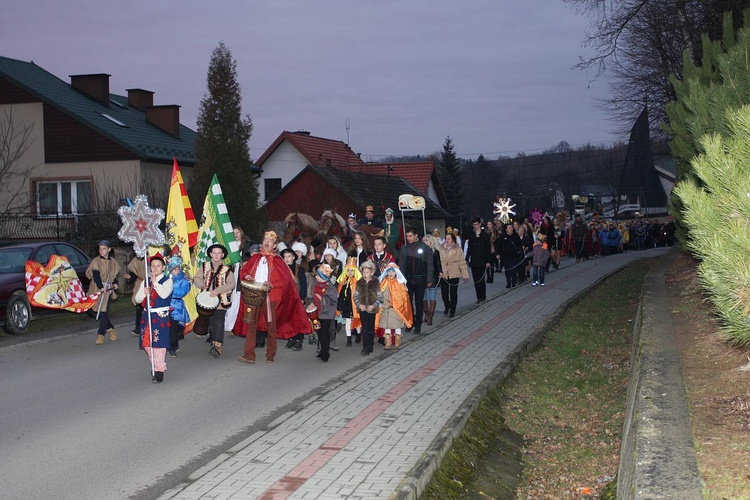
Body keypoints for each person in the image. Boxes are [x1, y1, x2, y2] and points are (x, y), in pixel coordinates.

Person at [236, 231, 311, 364]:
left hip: (271, 296)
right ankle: (249, 355)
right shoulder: (255, 258)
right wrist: (247, 276)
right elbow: (244, 271)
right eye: (265, 240)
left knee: (271, 325)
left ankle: (270, 354)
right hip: (254, 295)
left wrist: (271, 284)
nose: (266, 242)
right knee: (251, 324)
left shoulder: (277, 260)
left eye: (269, 241)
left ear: (274, 245)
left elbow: (285, 281)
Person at [134, 253, 173, 383]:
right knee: (147, 343)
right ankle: (155, 365)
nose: (155, 268)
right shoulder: (146, 281)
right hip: (147, 315)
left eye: (158, 266)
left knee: (159, 344)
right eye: (153, 266)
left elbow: (164, 294)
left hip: (160, 316)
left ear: (163, 267)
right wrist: (144, 293)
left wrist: (155, 283)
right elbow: (137, 299)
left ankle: (160, 370)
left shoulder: (167, 280)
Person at [192, 243, 235, 357]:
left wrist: (218, 290)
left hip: (221, 300)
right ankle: (214, 340)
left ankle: (218, 345)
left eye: (219, 253)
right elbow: (197, 277)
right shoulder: (205, 266)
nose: (216, 255)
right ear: (211, 254)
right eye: (214, 253)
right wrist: (201, 285)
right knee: (211, 322)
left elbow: (231, 284)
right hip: (208, 300)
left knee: (219, 322)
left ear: (222, 255)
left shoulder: (227, 269)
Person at [398, 227, 433, 333]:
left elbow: (429, 264)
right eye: (407, 236)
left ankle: (418, 325)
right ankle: (409, 322)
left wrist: (429, 279)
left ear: (416, 236)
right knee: (407, 303)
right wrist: (401, 279)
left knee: (419, 302)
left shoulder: (425, 248)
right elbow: (402, 265)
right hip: (408, 280)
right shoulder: (404, 249)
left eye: (410, 236)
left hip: (420, 279)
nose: (408, 238)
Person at [86, 240, 120, 345]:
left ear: (109, 249)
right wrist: (100, 287)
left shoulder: (113, 262)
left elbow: (113, 275)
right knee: (96, 311)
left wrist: (115, 283)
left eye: (104, 249)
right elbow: (96, 276)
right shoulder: (96, 261)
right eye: (100, 249)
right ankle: (110, 328)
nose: (101, 251)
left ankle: (101, 334)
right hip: (97, 288)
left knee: (104, 311)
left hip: (107, 288)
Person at [378, 263, 413, 350]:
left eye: (392, 272)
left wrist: (397, 304)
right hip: (386, 308)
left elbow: (403, 297)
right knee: (387, 325)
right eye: (389, 271)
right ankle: (388, 342)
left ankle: (397, 341)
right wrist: (381, 302)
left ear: (396, 272)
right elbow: (379, 293)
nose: (390, 274)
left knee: (397, 325)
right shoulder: (384, 282)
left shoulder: (399, 283)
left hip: (396, 309)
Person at [281, 248, 308, 351]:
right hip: (286, 297)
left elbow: (303, 284)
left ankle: (298, 339)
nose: (287, 259)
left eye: (289, 256)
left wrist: (302, 298)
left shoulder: (298, 269)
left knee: (297, 319)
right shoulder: (281, 269)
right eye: (285, 257)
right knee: (288, 319)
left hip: (296, 297)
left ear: (293, 257)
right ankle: (290, 337)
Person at [354, 260, 382, 355]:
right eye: (364, 272)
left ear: (372, 272)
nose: (365, 274)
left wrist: (374, 306)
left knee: (370, 329)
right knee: (365, 329)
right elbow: (355, 296)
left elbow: (379, 296)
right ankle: (365, 347)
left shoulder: (375, 282)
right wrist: (359, 305)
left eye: (367, 272)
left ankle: (370, 345)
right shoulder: (359, 283)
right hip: (363, 309)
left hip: (372, 309)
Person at [224, 226, 249, 331]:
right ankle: (226, 323)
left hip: (239, 273)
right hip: (230, 273)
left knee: (236, 300)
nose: (236, 235)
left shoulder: (245, 246)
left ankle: (232, 324)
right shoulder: (228, 246)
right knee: (227, 298)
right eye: (233, 233)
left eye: (238, 232)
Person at [312, 263, 338, 362]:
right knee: (319, 332)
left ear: (323, 277)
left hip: (326, 314)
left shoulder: (330, 287)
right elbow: (311, 296)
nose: (316, 276)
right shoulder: (315, 285)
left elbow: (333, 301)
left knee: (324, 333)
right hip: (316, 313)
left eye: (318, 275)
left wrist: (322, 299)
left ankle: (325, 353)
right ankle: (321, 350)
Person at [439, 232, 469, 317]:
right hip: (444, 273)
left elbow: (462, 263)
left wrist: (465, 275)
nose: (447, 240)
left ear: (453, 240)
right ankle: (447, 305)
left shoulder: (458, 249)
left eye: (449, 238)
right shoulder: (441, 249)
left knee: (453, 293)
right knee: (444, 293)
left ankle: (453, 309)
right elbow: (438, 262)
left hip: (454, 272)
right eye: (446, 238)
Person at [166, 256, 191, 357]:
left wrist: (171, 290)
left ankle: (174, 345)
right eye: (174, 269)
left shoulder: (184, 280)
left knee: (176, 327)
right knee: (170, 327)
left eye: (177, 269)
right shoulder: (166, 278)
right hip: (166, 304)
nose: (176, 271)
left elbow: (182, 292)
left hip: (177, 305)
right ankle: (171, 345)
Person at [465, 217, 492, 303]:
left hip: (482, 261)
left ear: (480, 224)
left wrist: (488, 261)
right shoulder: (471, 236)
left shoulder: (485, 235)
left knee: (481, 279)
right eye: (474, 225)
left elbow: (488, 249)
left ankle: (482, 297)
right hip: (474, 261)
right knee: (476, 280)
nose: (475, 226)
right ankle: (478, 297)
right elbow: (469, 248)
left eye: (476, 224)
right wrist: (466, 258)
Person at [337, 256, 362, 346]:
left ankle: (359, 335)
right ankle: (349, 339)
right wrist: (340, 304)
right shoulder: (343, 281)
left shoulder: (358, 282)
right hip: (347, 304)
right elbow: (340, 293)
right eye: (348, 270)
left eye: (352, 270)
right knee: (347, 321)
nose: (350, 272)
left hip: (355, 304)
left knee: (357, 320)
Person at [422, 234, 442, 325]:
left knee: (432, 296)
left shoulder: (435, 252)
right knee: (424, 297)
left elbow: (438, 264)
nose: (425, 242)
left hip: (433, 277)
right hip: (423, 277)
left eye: (426, 240)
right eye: (423, 240)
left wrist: (440, 272)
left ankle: (431, 316)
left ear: (431, 242)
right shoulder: (421, 252)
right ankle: (426, 313)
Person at [124, 254, 145, 336]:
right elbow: (133, 274)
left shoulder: (151, 257)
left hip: (151, 283)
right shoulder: (136, 260)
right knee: (139, 306)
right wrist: (130, 278)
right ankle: (138, 327)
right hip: (140, 284)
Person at [498, 223, 523, 288]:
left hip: (514, 256)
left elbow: (520, 244)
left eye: (511, 227)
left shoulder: (515, 235)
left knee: (514, 269)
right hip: (505, 256)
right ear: (506, 229)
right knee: (507, 269)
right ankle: (508, 282)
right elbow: (499, 246)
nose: (511, 229)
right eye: (509, 228)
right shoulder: (502, 236)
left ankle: (514, 282)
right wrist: (498, 254)